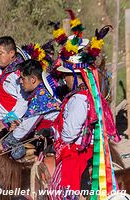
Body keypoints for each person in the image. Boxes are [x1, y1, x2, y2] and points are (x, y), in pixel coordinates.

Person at [48, 10, 120, 199]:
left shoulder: (79, 99)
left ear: (74, 75)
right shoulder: (86, 95)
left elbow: (69, 134)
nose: (63, 80)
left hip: (75, 158)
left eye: (65, 75)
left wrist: (54, 133)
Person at [1, 59, 61, 160]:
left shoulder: (41, 97)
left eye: (22, 78)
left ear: (33, 79)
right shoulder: (40, 92)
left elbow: (25, 128)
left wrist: (3, 143)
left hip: (54, 145)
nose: (20, 81)